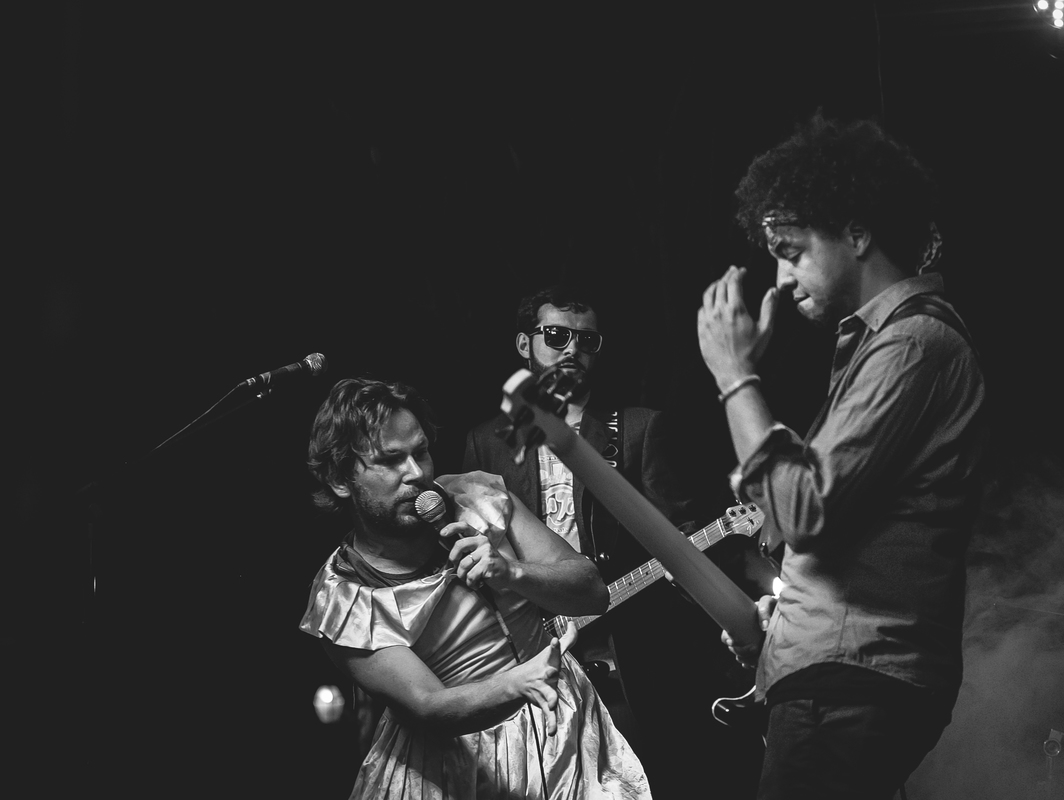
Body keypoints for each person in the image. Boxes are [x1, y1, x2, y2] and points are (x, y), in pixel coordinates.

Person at [697, 113, 988, 799]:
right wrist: (783, 626)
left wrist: (735, 376)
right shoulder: (883, 349)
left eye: (792, 251)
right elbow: (824, 531)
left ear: (856, 234)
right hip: (838, 676)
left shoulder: (913, 344)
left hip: (851, 682)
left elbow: (804, 511)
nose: (781, 278)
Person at [463, 284, 768, 798]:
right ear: (523, 344)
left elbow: (679, 530)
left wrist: (683, 565)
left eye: (586, 340)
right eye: (556, 335)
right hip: (523, 650)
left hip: (624, 653)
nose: (571, 348)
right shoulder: (485, 441)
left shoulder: (637, 429)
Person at [299, 377, 650, 799]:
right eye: (390, 460)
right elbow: (428, 705)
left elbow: (593, 591)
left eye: (420, 452)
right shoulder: (341, 597)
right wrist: (521, 683)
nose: (416, 474)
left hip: (565, 734)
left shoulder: (479, 497)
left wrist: (512, 572)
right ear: (340, 479)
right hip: (455, 769)